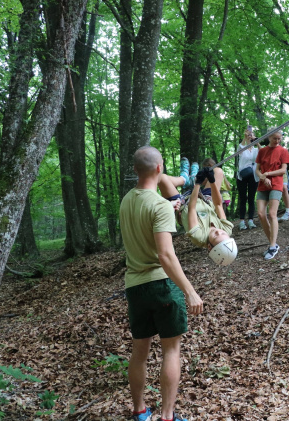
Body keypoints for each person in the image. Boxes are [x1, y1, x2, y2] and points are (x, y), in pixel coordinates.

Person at [119, 146, 203, 421]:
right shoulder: (158, 206)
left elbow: (146, 214)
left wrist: (167, 208)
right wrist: (189, 291)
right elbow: (165, 255)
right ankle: (167, 416)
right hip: (160, 285)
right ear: (159, 169)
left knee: (140, 351)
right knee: (171, 349)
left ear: (135, 170)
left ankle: (140, 411)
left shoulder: (126, 201)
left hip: (134, 287)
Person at [158, 161, 238, 267]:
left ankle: (185, 179)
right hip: (206, 200)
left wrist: (198, 183)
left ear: (209, 247)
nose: (218, 231)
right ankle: (189, 179)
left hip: (184, 204)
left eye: (215, 236)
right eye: (223, 234)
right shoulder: (227, 229)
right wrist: (212, 181)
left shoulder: (199, 237)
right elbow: (218, 204)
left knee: (162, 178)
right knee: (218, 171)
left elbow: (192, 208)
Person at [256, 128, 289, 260]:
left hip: (276, 184)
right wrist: (263, 177)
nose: (277, 141)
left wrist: (268, 174)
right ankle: (273, 243)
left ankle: (272, 246)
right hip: (262, 185)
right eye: (274, 138)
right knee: (260, 214)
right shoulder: (262, 151)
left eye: (279, 138)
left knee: (272, 214)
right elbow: (257, 170)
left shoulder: (283, 151)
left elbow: (283, 170)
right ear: (269, 137)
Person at [236, 127, 259, 230]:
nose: (250, 136)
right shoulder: (242, 148)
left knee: (251, 198)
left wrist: (256, 141)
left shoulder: (255, 150)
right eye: (249, 135)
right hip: (242, 176)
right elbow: (239, 148)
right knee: (242, 198)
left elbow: (263, 152)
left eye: (251, 135)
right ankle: (241, 221)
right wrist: (245, 138)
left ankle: (250, 220)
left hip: (253, 176)